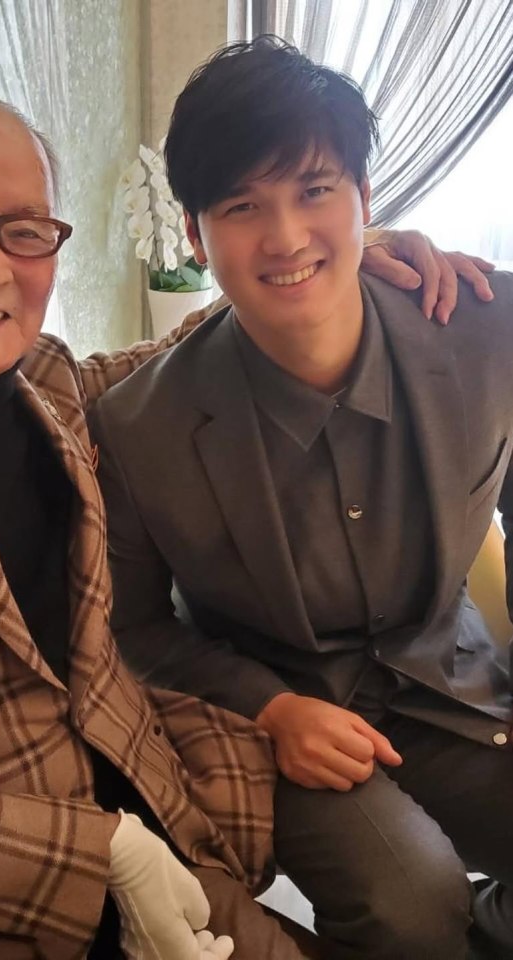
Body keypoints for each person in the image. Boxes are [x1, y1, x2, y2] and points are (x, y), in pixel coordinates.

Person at [0, 91, 489, 960]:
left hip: (153, 791)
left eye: (24, 230)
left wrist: (334, 252)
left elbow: (209, 346)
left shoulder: (46, 385)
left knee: (409, 911)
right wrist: (99, 857)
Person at [90, 36, 513, 960]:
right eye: (242, 206)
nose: (283, 238)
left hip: (455, 679)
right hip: (284, 713)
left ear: (365, 199)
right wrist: (271, 710)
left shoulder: (485, 329)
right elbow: (134, 628)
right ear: (197, 236)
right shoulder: (137, 429)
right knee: (410, 906)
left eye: (315, 191)